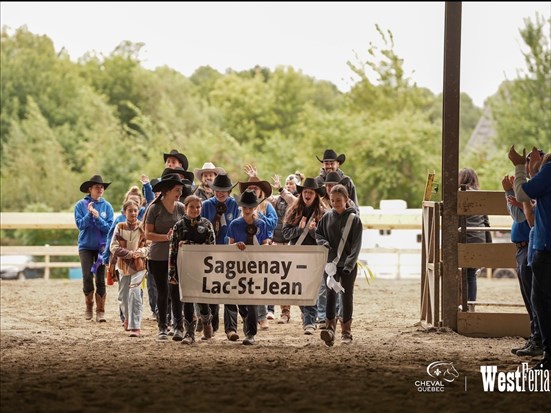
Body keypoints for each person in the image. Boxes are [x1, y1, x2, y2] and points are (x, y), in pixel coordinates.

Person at [508, 146, 551, 371]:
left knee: (539, 300)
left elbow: (524, 198)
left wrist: (519, 168)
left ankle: (546, 350)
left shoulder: (550, 171)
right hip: (538, 246)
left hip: (544, 246)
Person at [316, 184, 363, 346]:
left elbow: (356, 246)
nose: (335, 203)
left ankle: (346, 331)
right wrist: (324, 244)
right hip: (331, 265)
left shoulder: (354, 220)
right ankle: (329, 329)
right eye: (333, 200)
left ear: (346, 200)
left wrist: (349, 265)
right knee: (330, 295)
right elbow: (319, 233)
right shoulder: (327, 217)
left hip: (347, 266)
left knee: (346, 296)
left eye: (339, 200)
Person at [501, 173, 541, 357]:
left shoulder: (531, 192)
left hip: (527, 245)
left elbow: (519, 217)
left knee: (533, 296)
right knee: (530, 296)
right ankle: (536, 337)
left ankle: (537, 338)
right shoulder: (531, 192)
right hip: (523, 246)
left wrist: (510, 193)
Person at [282, 178, 328, 334]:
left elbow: (326, 239)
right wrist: (300, 230)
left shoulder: (323, 213)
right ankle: (307, 316)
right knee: (299, 290)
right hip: (297, 256)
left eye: (311, 192)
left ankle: (309, 321)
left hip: (314, 257)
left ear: (315, 195)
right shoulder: (293, 211)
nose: (307, 194)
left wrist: (314, 232)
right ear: (301, 194)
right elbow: (285, 233)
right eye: (305, 192)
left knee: (313, 289)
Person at [144, 173, 187, 341]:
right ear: (167, 191)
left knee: (176, 292)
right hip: (158, 256)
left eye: (181, 190)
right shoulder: (154, 208)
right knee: (163, 292)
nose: (179, 193)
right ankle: (162, 326)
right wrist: (166, 237)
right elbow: (148, 234)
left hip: (177, 256)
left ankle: (178, 327)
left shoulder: (181, 208)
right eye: (177, 190)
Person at [168, 195, 216, 344]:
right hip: (183, 269)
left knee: (201, 299)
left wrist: (189, 245)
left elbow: (211, 248)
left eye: (198, 207)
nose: (195, 210)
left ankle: (207, 321)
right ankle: (189, 333)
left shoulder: (207, 224)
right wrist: (172, 273)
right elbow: (173, 250)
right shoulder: (179, 226)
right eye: (192, 207)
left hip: (202, 269)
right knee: (187, 299)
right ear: (186, 208)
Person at [201, 172, 241, 341]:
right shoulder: (206, 205)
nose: (220, 193)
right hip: (210, 254)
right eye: (217, 189)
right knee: (212, 290)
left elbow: (239, 227)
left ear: (229, 191)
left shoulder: (235, 205)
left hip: (229, 252)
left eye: (224, 190)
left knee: (231, 290)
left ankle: (231, 328)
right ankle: (212, 326)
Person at [227, 189, 270, 345]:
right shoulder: (234, 224)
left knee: (252, 299)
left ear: (255, 208)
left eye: (250, 207)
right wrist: (236, 246)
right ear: (241, 207)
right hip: (238, 266)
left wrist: (263, 248)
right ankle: (245, 317)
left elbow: (265, 242)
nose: (247, 210)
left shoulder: (262, 224)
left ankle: (250, 333)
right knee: (240, 299)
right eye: (245, 207)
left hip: (255, 266)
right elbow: (229, 244)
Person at [240, 165, 278, 329]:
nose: (253, 190)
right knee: (244, 282)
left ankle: (262, 316)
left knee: (260, 282)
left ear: (260, 190)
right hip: (245, 248)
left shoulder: (266, 206)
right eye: (250, 188)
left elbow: (273, 223)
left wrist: (258, 215)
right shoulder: (242, 207)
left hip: (263, 245)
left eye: (255, 188)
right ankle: (248, 316)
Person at [74, 175, 114, 322]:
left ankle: (100, 310)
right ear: (90, 189)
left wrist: (98, 218)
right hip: (85, 246)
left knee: (100, 279)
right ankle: (89, 306)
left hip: (101, 247)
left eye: (102, 187)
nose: (100, 189)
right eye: (97, 187)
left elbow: (109, 228)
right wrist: (89, 215)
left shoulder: (107, 206)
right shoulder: (80, 205)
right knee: (86, 277)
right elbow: (80, 225)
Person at [110, 200, 150, 337]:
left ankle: (135, 326)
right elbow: (113, 247)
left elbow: (149, 245)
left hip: (139, 265)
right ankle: (127, 317)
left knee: (135, 292)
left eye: (135, 210)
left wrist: (141, 252)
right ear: (124, 212)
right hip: (122, 265)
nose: (133, 213)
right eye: (130, 210)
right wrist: (128, 254)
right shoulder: (119, 227)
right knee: (123, 296)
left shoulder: (143, 227)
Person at [458, 168, 491, 302]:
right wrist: (488, 244)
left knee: (462, 274)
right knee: (471, 275)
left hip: (464, 238)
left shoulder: (459, 195)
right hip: (479, 239)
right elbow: (486, 222)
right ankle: (471, 305)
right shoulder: (480, 196)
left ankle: (461, 305)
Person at [269, 173, 298, 323]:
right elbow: (265, 198)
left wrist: (280, 189)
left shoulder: (298, 201)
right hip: (276, 241)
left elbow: (291, 200)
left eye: (292, 183)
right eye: (287, 183)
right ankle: (270, 309)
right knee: (274, 277)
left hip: (290, 243)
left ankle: (285, 312)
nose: (289, 186)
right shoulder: (276, 200)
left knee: (287, 279)